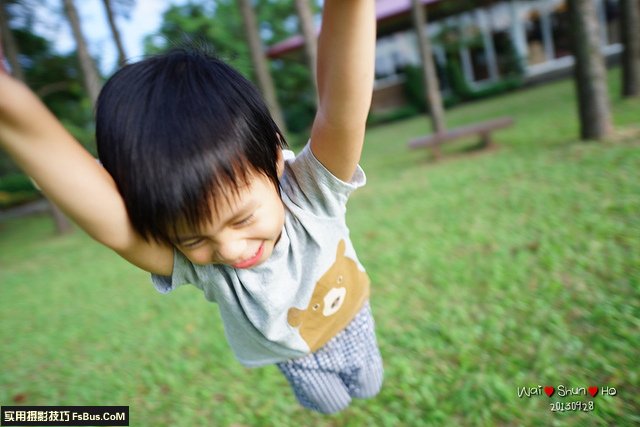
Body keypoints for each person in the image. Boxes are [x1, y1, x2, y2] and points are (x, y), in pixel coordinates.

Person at [0, 0, 381, 414]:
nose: (232, 251)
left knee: (370, 384)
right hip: (297, 356)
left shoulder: (310, 194)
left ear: (274, 156)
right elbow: (103, 214)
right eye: (194, 237)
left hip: (351, 314)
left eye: (243, 218)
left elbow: (342, 111)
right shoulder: (195, 263)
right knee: (328, 404)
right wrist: (10, 106)